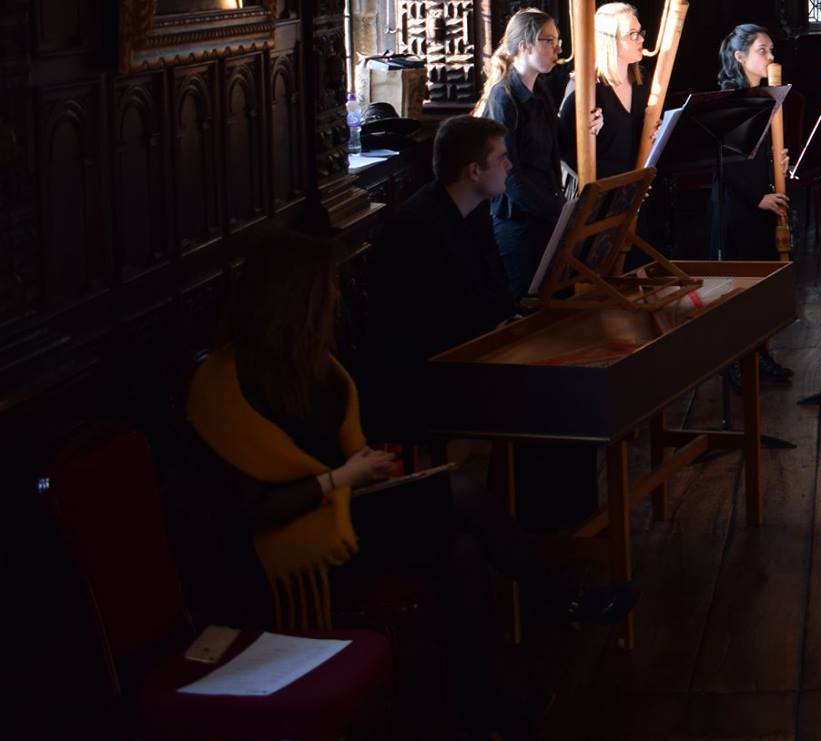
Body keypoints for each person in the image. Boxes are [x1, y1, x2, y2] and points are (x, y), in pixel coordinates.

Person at [186, 236, 634, 734]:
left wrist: (361, 467)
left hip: (346, 507)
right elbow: (256, 510)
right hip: (298, 538)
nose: (337, 297)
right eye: (328, 288)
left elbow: (333, 452)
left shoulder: (313, 368)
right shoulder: (226, 386)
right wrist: (341, 477)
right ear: (298, 300)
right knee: (458, 492)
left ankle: (486, 703)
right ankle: (557, 597)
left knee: (462, 549)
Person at [360, 117, 517, 441]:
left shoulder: (475, 211)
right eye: (501, 158)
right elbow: (426, 327)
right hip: (426, 381)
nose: (509, 165)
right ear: (474, 171)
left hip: (471, 358)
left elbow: (496, 291)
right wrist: (495, 335)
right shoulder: (416, 229)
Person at [473, 8, 597, 294]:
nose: (557, 50)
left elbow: (555, 147)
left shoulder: (540, 91)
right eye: (549, 41)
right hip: (520, 223)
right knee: (531, 309)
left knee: (559, 300)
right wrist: (556, 211)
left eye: (557, 42)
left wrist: (586, 126)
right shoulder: (503, 98)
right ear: (524, 46)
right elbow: (509, 175)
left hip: (548, 215)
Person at [712, 23, 795, 381]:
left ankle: (761, 355)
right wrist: (757, 195)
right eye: (763, 50)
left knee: (763, 287)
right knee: (740, 288)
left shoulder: (766, 96)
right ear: (740, 56)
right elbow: (725, 161)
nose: (771, 57)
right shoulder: (729, 101)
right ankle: (733, 363)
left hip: (763, 196)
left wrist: (778, 165)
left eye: (771, 50)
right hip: (738, 203)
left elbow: (759, 153)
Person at [558, 1, 646, 180]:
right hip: (595, 193)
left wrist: (652, 129)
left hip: (631, 187)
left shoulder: (641, 80)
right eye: (633, 34)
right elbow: (565, 151)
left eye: (640, 32)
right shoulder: (582, 87)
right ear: (610, 40)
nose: (642, 39)